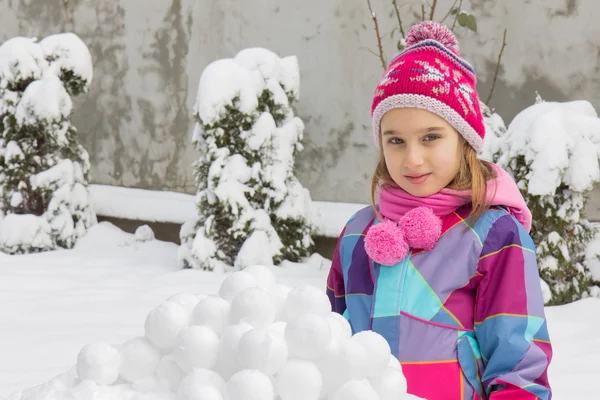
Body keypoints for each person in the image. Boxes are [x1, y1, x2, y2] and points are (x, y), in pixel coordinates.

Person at [326, 21, 552, 400]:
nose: (412, 158)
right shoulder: (358, 232)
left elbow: (519, 364)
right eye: (395, 140)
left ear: (464, 139)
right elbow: (326, 340)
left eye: (431, 137)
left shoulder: (494, 234)